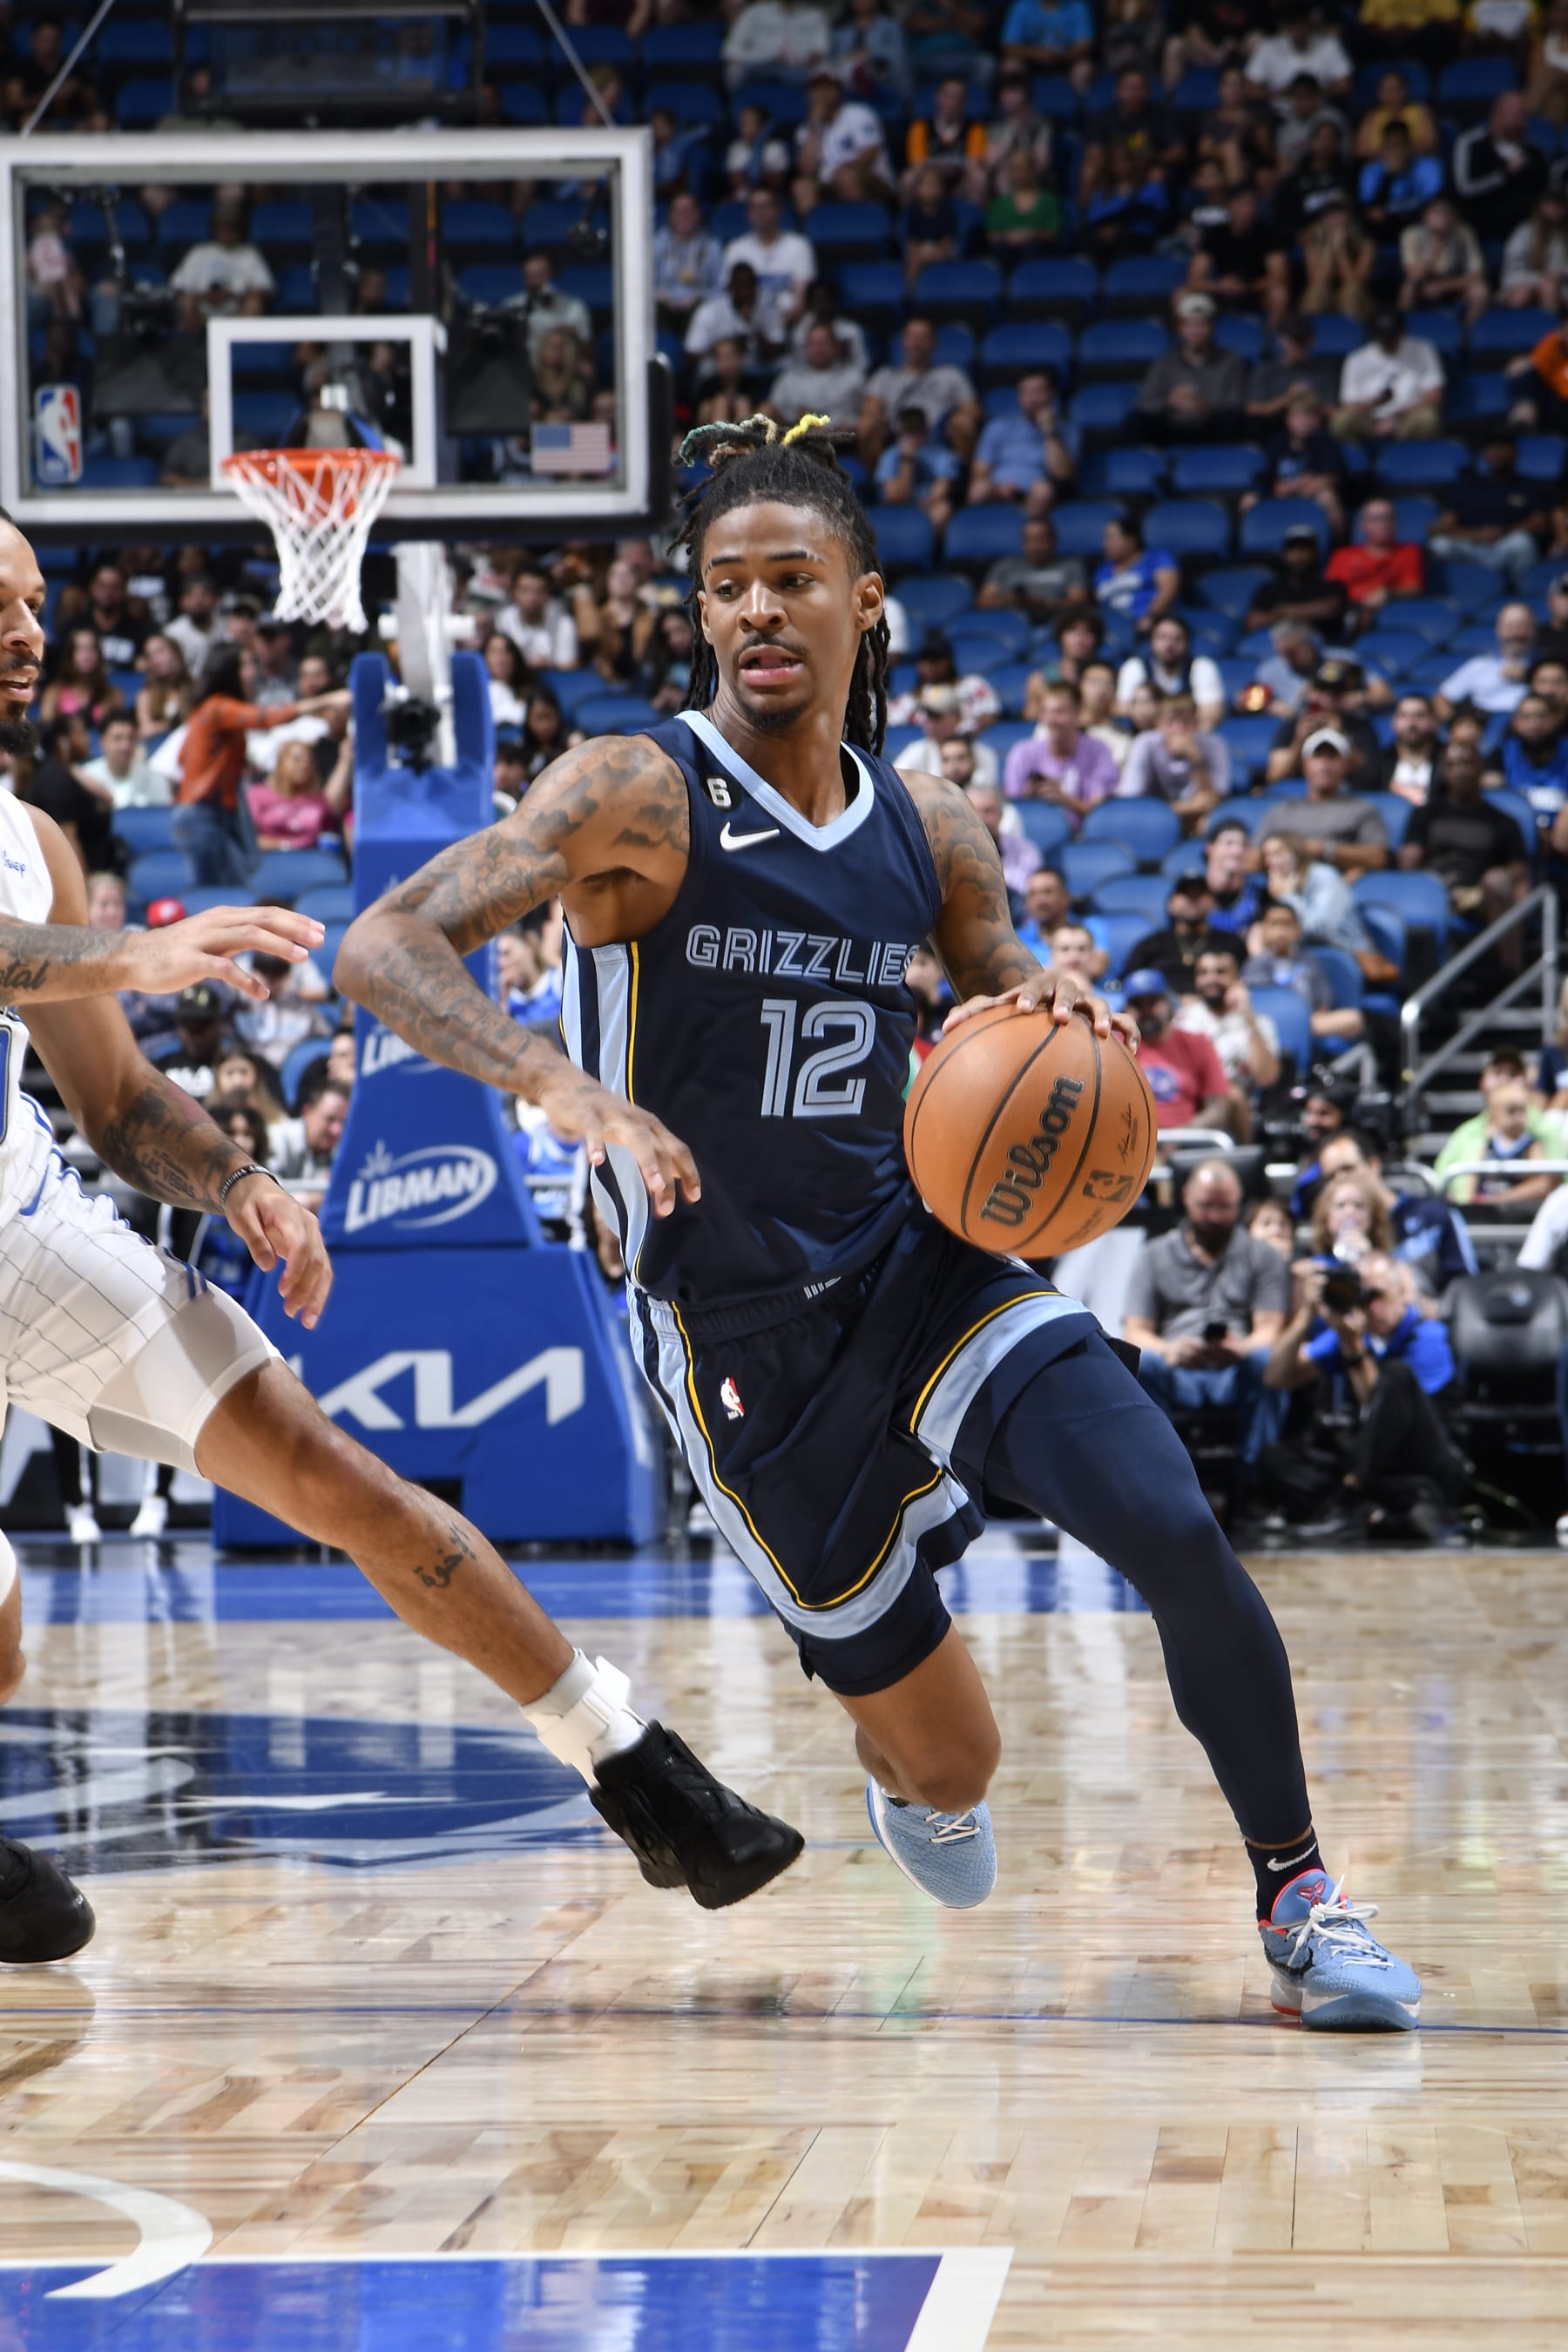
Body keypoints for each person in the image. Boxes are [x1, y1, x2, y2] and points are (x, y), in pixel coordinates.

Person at [336, 416, 1419, 2023]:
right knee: (954, 1757)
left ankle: (1301, 1899)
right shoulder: (640, 791)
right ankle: (909, 1775)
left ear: (866, 602)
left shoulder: (932, 824)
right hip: (736, 1334)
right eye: (726, 588)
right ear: (697, 616)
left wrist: (1056, 1004)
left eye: (793, 580)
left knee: (1176, 1528)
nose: (758, 613)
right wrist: (563, 1088)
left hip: (926, 1265)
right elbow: (383, 949)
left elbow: (1010, 993)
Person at [0, 522, 805, 1957]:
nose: (26, 629)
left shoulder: (36, 840)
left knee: (326, 1468)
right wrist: (133, 950)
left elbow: (113, 1099)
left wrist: (239, 1178)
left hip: (19, 1228)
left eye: (34, 601)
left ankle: (637, 1767)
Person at [1262, 1254, 1464, 1542]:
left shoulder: (1428, 1336)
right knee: (1276, 1457)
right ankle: (1371, 1512)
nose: (1370, 1307)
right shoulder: (1352, 1331)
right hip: (1373, 1464)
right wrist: (1305, 1315)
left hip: (1425, 1457)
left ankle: (1350, 1500)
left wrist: (1353, 1347)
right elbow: (1275, 1378)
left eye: (1377, 1295)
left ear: (1402, 1293)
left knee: (1397, 1375)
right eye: (1362, 1297)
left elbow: (1390, 1414)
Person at [1124, 1157, 1289, 1471]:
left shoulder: (1263, 1256)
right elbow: (1136, 1330)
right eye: (1205, 1206)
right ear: (1186, 1197)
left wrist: (1240, 1349)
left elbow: (1270, 1330)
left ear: (1239, 1203)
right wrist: (1169, 1351)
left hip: (1235, 1370)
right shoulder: (1153, 1254)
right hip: (1176, 1370)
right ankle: (1159, 1473)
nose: (1214, 1216)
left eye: (1224, 1207)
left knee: (1269, 1361)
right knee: (1141, 1361)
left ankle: (1256, 1476)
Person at [174, 648, 346, 889]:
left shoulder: (207, 711)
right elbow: (268, 718)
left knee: (237, 885)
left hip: (218, 811)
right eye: (246, 666)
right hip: (204, 812)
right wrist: (328, 700)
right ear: (230, 672)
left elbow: (185, 757)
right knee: (211, 894)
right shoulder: (216, 707)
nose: (252, 672)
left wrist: (234, 764)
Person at [1312, 1130, 1477, 1288]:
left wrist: (1374, 1261)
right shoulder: (1333, 1226)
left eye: (1347, 1168)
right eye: (1331, 1176)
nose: (1341, 1179)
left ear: (1373, 1165)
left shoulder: (1434, 1216)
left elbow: (1462, 1286)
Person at [1400, 740, 1531, 923]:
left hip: (1481, 895)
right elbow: (1409, 861)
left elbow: (1518, 873)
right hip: (1434, 890)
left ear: (1480, 767)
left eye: (1466, 763)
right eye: (1451, 765)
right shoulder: (1425, 814)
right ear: (1444, 772)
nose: (1459, 771)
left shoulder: (1503, 821)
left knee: (1497, 882)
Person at [1258, 729, 1389, 875]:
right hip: (1281, 884)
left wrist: (1324, 849)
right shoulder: (1282, 810)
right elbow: (1251, 858)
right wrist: (1281, 852)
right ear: (1304, 765)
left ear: (1345, 765)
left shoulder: (1362, 809)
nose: (1324, 766)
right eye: (1317, 757)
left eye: (1332, 757)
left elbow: (1378, 857)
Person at [1428, 438, 1547, 591]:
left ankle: (1525, 593)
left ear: (1515, 453)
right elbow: (1441, 527)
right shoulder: (1468, 485)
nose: (1498, 453)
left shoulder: (1529, 485)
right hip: (1470, 545)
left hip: (1506, 544)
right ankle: (1448, 593)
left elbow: (1540, 523)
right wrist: (1477, 535)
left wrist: (1504, 531)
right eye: (1493, 448)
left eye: (1503, 447)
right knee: (1440, 545)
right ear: (1485, 454)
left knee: (1522, 543)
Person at [1243, 898, 1366, 1044]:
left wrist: (1308, 1020)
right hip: (1272, 1023)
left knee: (1353, 1019)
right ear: (1263, 929)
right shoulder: (1256, 963)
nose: (1281, 931)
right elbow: (1257, 1005)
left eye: (1287, 924)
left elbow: (1323, 1002)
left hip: (1310, 1022)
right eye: (1274, 924)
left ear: (1297, 930)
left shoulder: (1308, 961)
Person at [1176, 937, 1283, 1100]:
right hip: (1191, 1101)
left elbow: (1266, 1077)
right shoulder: (1184, 1018)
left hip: (1236, 1106)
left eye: (1221, 972)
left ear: (1237, 979)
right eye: (1203, 973)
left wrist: (1248, 1018)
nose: (1211, 979)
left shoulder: (1259, 1022)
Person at [1133, 291, 1247, 443]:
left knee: (1231, 420)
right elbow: (1145, 401)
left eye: (1201, 325)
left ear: (1211, 327)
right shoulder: (1166, 361)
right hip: (1172, 425)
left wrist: (1205, 406)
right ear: (1180, 328)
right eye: (1189, 325)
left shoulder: (1231, 361)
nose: (1195, 331)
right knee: (1137, 420)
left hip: (1211, 425)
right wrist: (1169, 401)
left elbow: (1234, 403)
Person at [1001, 681, 1119, 814]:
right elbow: (1011, 809)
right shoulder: (1022, 752)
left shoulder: (1099, 751)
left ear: (1078, 712)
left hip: (1079, 833)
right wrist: (1029, 796)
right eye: (1045, 711)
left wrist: (1063, 799)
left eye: (1059, 712)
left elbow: (1099, 813)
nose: (1050, 719)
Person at [1116, 691, 1230, 829]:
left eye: (1186, 722)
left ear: (1197, 723)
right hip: (1152, 819)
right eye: (1170, 722)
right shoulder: (1144, 743)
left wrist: (1196, 758)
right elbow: (1131, 801)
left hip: (1195, 818)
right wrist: (1186, 807)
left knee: (1206, 824)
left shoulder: (1214, 744)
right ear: (1157, 724)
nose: (1179, 729)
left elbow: (1212, 801)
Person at [965, 373, 1076, 514]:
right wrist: (998, 488)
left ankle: (1028, 533)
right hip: (998, 489)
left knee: (1043, 491)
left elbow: (1063, 474)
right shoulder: (997, 427)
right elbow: (979, 470)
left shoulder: (1067, 429)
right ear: (1019, 397)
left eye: (1038, 392)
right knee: (978, 490)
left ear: (1052, 394)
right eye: (1027, 393)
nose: (1033, 399)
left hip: (1037, 493)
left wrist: (1049, 432)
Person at [1451, 89, 1549, 245]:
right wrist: (1504, 174)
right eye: (1519, 116)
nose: (1523, 123)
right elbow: (1464, 189)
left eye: (1525, 116)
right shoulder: (1471, 143)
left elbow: (1544, 191)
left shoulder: (1532, 151)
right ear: (1499, 114)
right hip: (1480, 230)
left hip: (1525, 233)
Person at [1331, 308, 1444, 442]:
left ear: (1403, 331)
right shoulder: (1357, 359)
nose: (1388, 341)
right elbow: (1349, 404)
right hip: (1370, 419)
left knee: (1428, 418)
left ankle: (1402, 447)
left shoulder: (1423, 350)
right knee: (1342, 420)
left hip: (1408, 418)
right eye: (1383, 336)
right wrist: (1374, 408)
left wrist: (1399, 415)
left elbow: (1435, 395)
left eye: (1392, 336)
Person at [1114, 616, 1225, 734]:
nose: (1169, 644)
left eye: (1177, 639)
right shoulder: (1135, 666)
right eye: (1162, 637)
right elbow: (1123, 710)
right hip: (1141, 735)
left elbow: (1211, 714)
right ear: (1151, 641)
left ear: (1187, 643)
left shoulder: (1201, 666)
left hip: (1188, 737)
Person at [267, 1064, 350, 1214]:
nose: (337, 1130)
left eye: (343, 1122)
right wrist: (314, 1200)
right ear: (307, 1111)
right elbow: (268, 1196)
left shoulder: (343, 1149)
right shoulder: (276, 1138)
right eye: (330, 1119)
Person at [977, 513, 1088, 625]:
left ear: (1054, 540)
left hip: (1054, 623)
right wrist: (1009, 599)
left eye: (1040, 539)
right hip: (1009, 624)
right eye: (1028, 540)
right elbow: (983, 601)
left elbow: (1079, 601)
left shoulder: (1071, 566)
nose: (1034, 546)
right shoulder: (1005, 566)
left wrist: (1044, 604)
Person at [1325, 497, 1423, 622]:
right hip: (1346, 614)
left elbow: (1414, 589)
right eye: (1376, 519)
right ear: (1363, 525)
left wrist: (1389, 594)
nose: (1383, 524)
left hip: (1391, 613)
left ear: (1396, 523)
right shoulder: (1342, 555)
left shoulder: (1410, 551)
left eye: (1388, 518)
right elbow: (1330, 593)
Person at [1436, 604, 1538, 721]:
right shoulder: (1479, 665)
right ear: (1499, 629)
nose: (1516, 634)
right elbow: (1441, 699)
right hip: (1483, 729)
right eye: (1510, 627)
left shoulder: (1546, 667)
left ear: (1533, 629)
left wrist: (1528, 675)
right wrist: (1457, 726)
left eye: (1523, 626)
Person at [1125, 873, 1222, 996]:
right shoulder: (1150, 945)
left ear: (1212, 903)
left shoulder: (1231, 943)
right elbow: (1128, 984)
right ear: (1170, 904)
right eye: (1185, 893)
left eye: (1199, 893)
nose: (1192, 898)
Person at [1398, 194, 1488, 325]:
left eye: (1446, 213)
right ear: (1425, 216)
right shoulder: (1411, 234)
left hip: (1453, 283)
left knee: (1480, 291)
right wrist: (1435, 241)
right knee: (1408, 288)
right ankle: (1405, 330)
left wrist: (1443, 287)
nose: (1441, 217)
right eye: (1436, 212)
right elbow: (1413, 275)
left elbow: (1478, 274)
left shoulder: (1464, 234)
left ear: (1454, 217)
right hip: (1423, 284)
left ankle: (1467, 331)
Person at [1093, 517, 1179, 633]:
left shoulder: (1156, 557)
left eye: (1111, 538)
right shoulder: (1102, 571)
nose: (1106, 544)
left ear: (1131, 540)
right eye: (1105, 539)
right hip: (1112, 629)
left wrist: (1151, 617)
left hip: (1150, 625)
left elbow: (1168, 590)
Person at [1377, 692, 1442, 805]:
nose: (1411, 723)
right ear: (1394, 723)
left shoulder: (1448, 762)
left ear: (1434, 722)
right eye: (1404, 715)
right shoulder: (1377, 763)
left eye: (1419, 715)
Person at [1204, 820, 1266, 935]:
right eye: (1229, 843)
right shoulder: (1192, 890)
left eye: (1243, 845)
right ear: (1209, 848)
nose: (1237, 851)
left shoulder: (1260, 895)